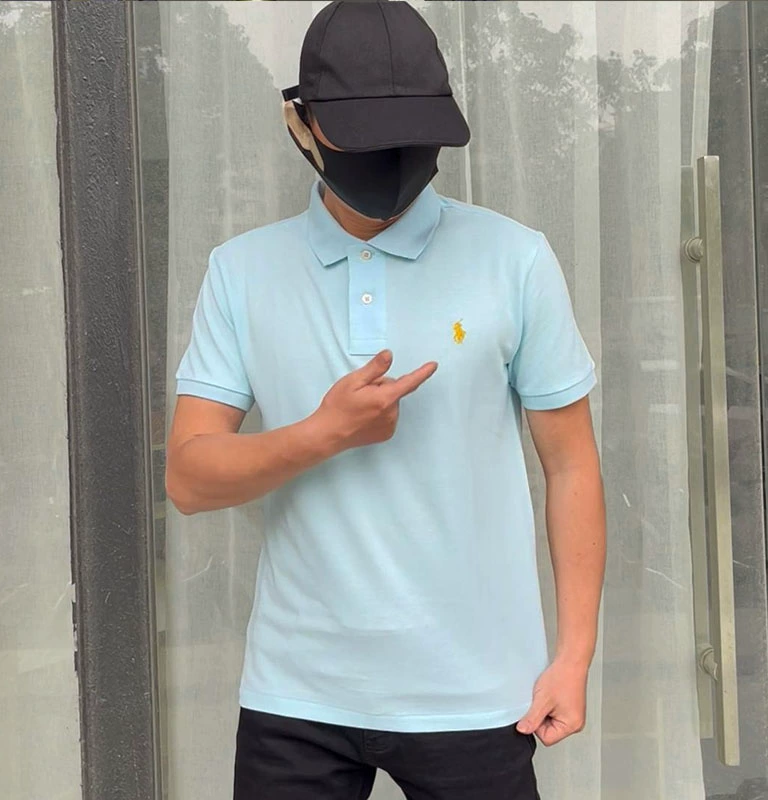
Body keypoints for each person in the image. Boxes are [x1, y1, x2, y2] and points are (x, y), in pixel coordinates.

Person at [166, 2, 606, 798]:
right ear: (299, 123)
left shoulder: (515, 260)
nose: (393, 160)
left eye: (414, 135)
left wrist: (573, 658)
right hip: (297, 695)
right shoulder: (241, 271)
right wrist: (323, 433)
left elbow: (571, 466)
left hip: (479, 693)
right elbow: (190, 480)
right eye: (364, 137)